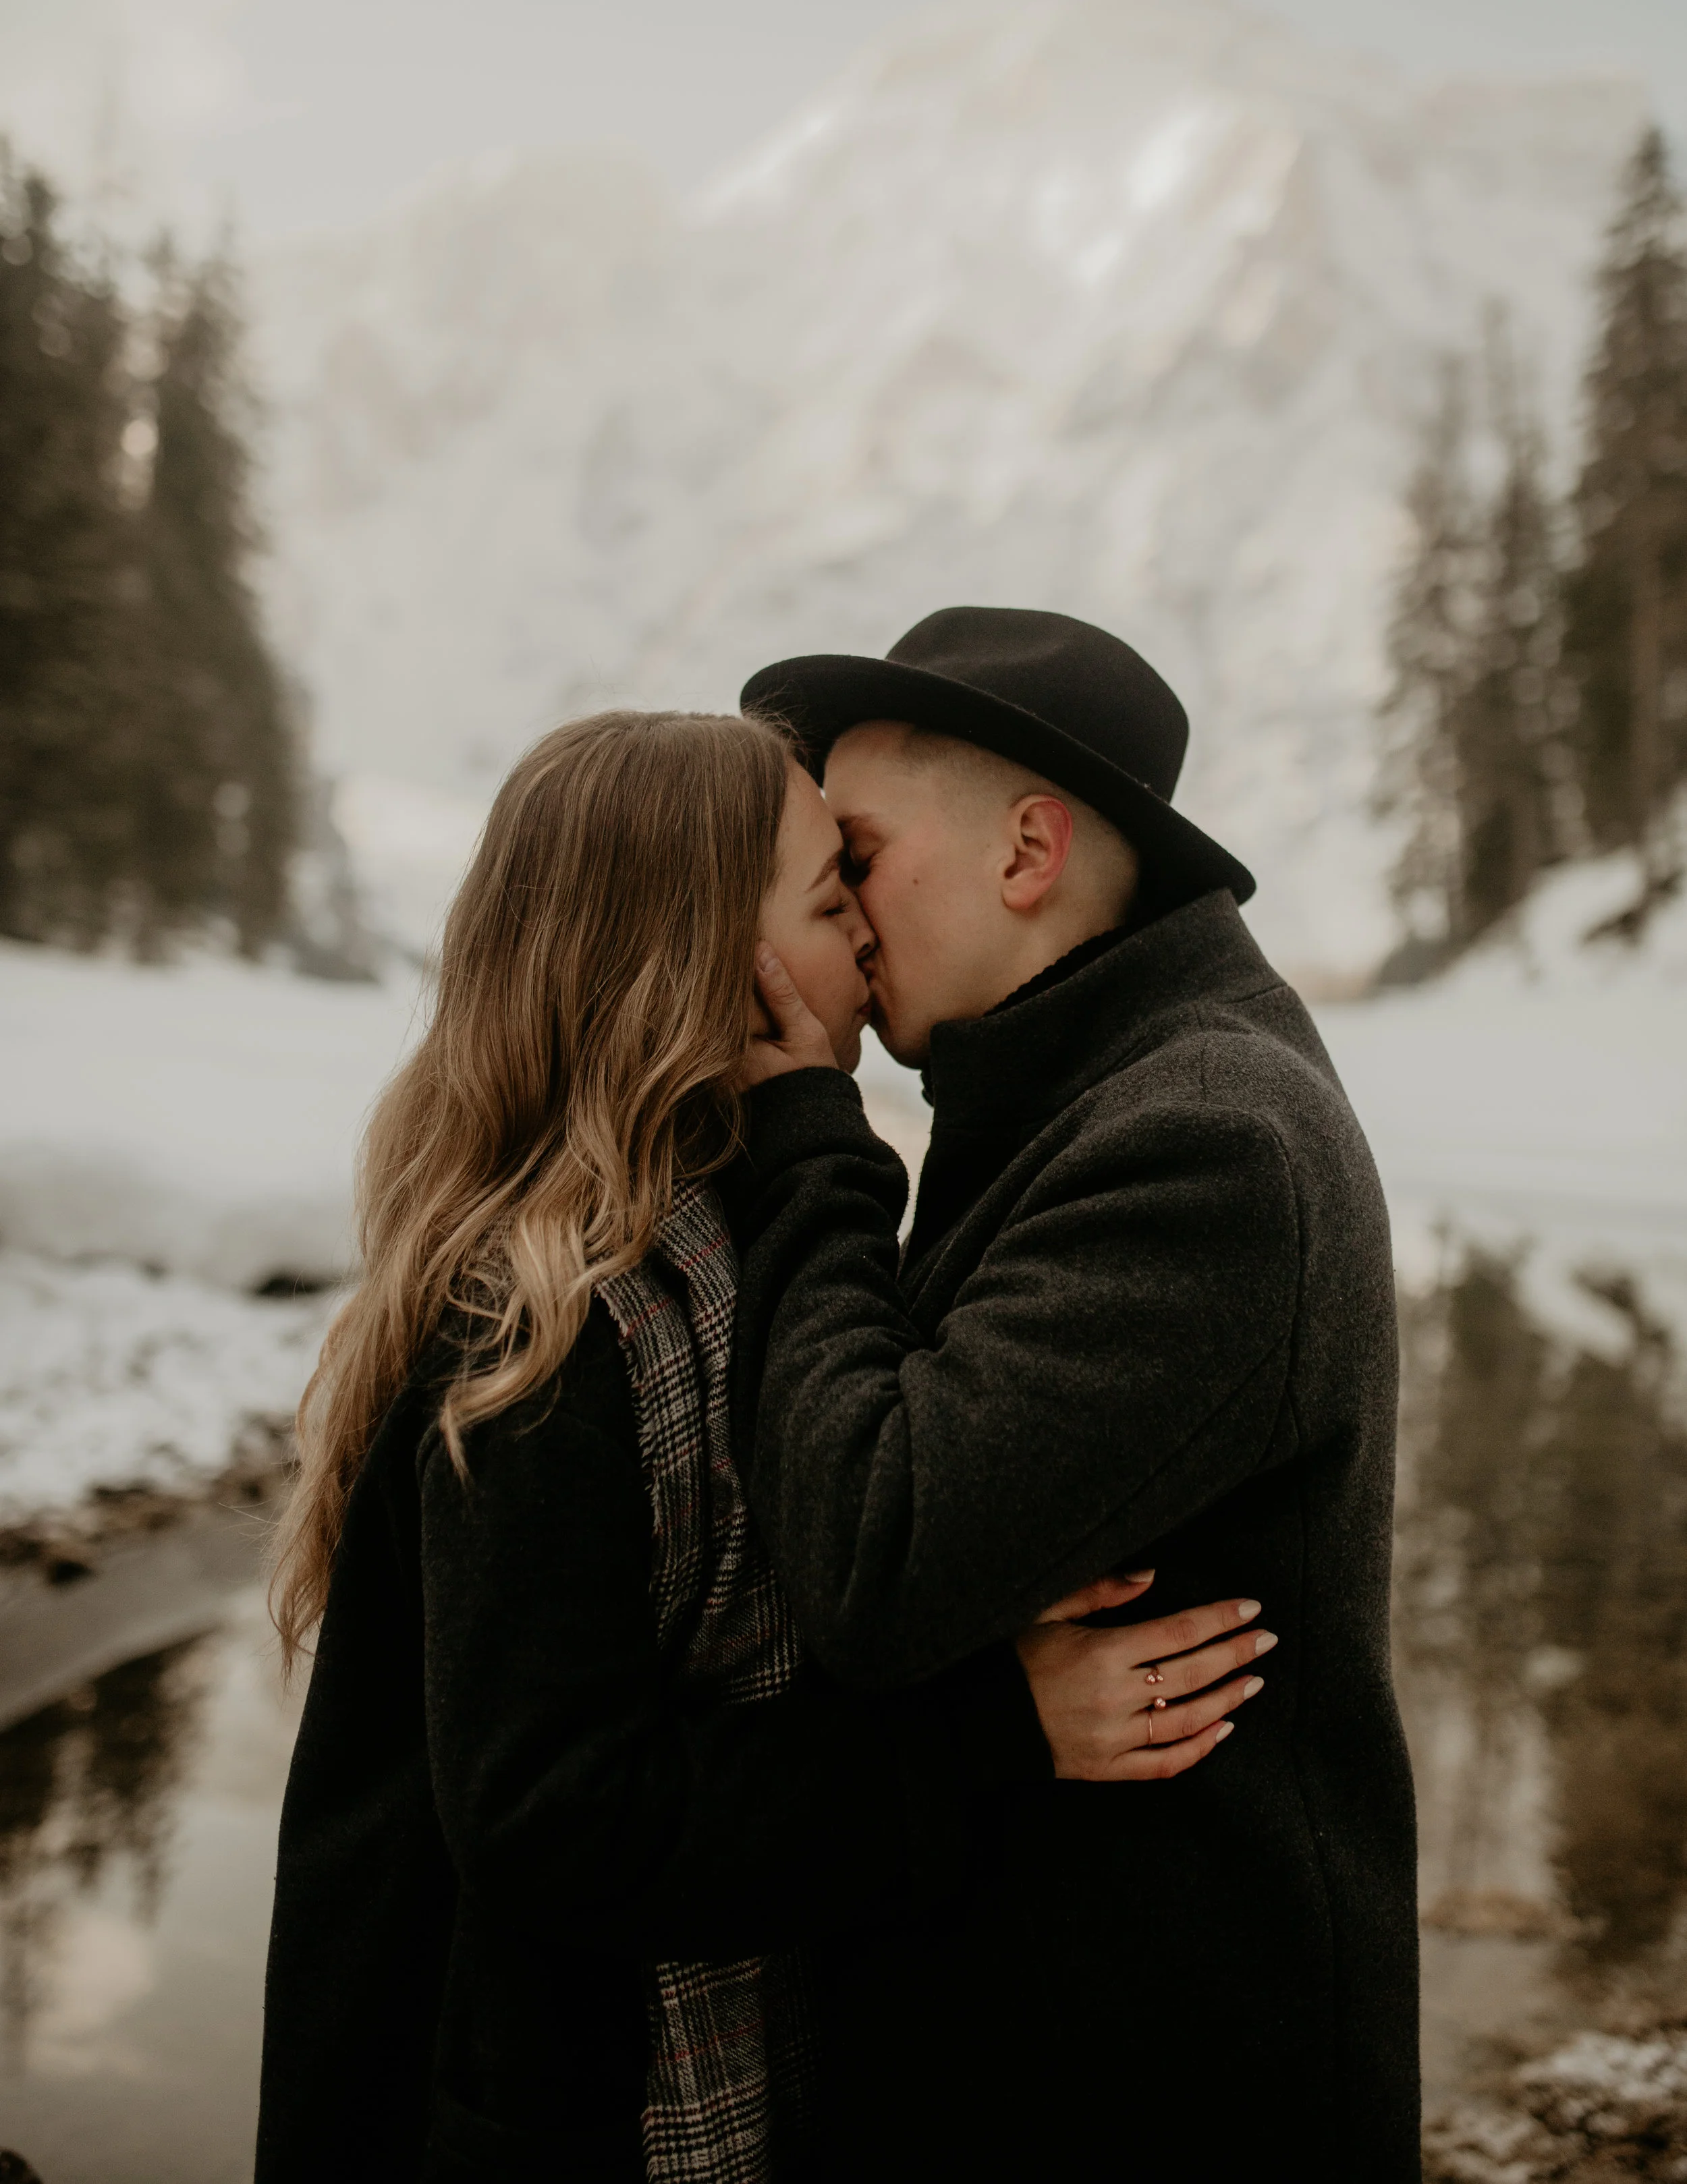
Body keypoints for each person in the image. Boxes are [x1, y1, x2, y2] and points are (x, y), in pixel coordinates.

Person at [256, 707, 1265, 2184]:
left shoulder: (715, 1240)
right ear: (708, 962)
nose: (867, 927)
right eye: (826, 890)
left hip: (670, 2069)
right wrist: (1001, 1732)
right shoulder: (545, 1315)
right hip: (530, 2113)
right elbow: (552, 1815)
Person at [730, 607, 1420, 2183]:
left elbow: (872, 1557)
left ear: (1027, 850)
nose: (829, 904)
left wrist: (808, 1144)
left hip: (1145, 2092)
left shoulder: (1203, 1140)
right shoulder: (1068, 1082)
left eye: (856, 851)